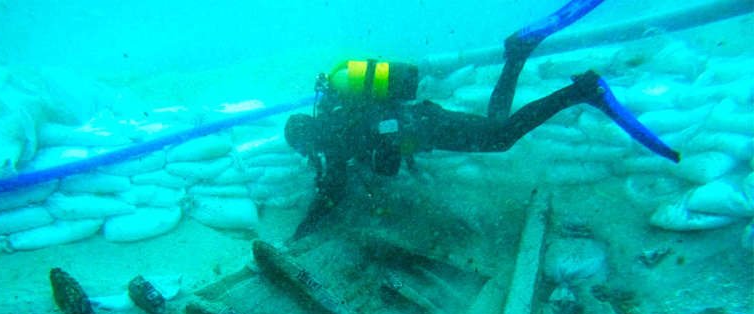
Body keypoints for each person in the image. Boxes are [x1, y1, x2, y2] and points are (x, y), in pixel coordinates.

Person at [284, 0, 680, 241]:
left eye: (303, 148)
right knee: (495, 126)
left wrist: (305, 228)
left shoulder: (332, 141)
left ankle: (580, 90)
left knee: (498, 137)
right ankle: (519, 54)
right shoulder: (336, 118)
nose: (306, 153)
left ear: (306, 139)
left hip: (427, 127)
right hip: (423, 120)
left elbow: (336, 188)